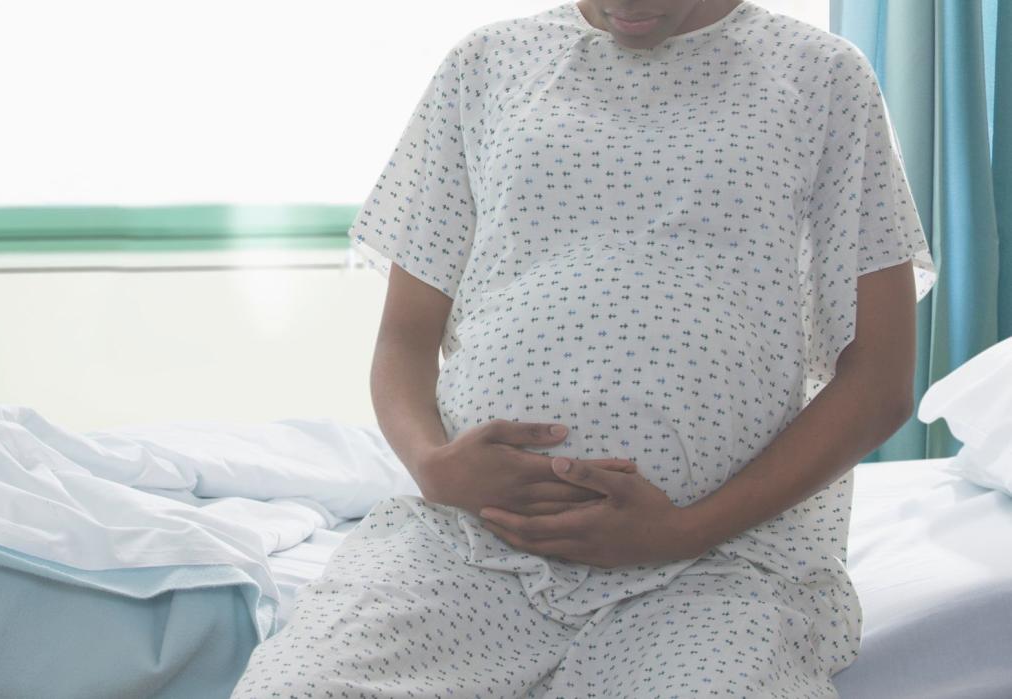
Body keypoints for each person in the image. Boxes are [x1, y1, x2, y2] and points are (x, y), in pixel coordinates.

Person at [232, 0, 937, 696]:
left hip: (717, 568)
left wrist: (687, 529)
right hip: (466, 548)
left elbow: (878, 379)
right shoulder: (486, 66)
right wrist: (432, 465)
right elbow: (406, 336)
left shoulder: (821, 77)